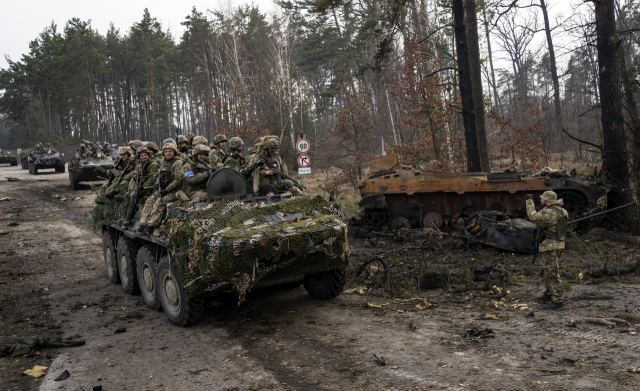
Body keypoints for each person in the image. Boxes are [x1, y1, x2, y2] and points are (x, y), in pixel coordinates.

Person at [527, 191, 568, 310]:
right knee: (547, 270)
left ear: (548, 201)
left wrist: (529, 201)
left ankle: (558, 301)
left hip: (550, 246)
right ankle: (549, 293)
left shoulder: (549, 212)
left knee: (552, 273)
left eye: (543, 199)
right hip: (558, 244)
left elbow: (533, 217)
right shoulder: (563, 211)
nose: (541, 200)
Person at [137, 142, 183, 236]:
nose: (168, 153)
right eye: (166, 151)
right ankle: (143, 224)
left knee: (159, 202)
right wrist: (157, 185)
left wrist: (166, 190)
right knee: (149, 200)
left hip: (174, 190)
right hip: (162, 188)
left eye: (170, 151)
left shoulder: (177, 163)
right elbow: (160, 175)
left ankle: (151, 227)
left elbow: (177, 180)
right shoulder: (163, 161)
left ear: (174, 152)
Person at [117, 147, 159, 229]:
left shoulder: (153, 164)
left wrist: (143, 187)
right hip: (142, 186)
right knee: (127, 194)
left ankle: (128, 218)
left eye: (145, 155)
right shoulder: (141, 164)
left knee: (133, 195)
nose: (144, 157)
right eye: (142, 156)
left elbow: (153, 179)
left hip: (149, 188)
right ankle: (124, 216)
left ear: (148, 155)